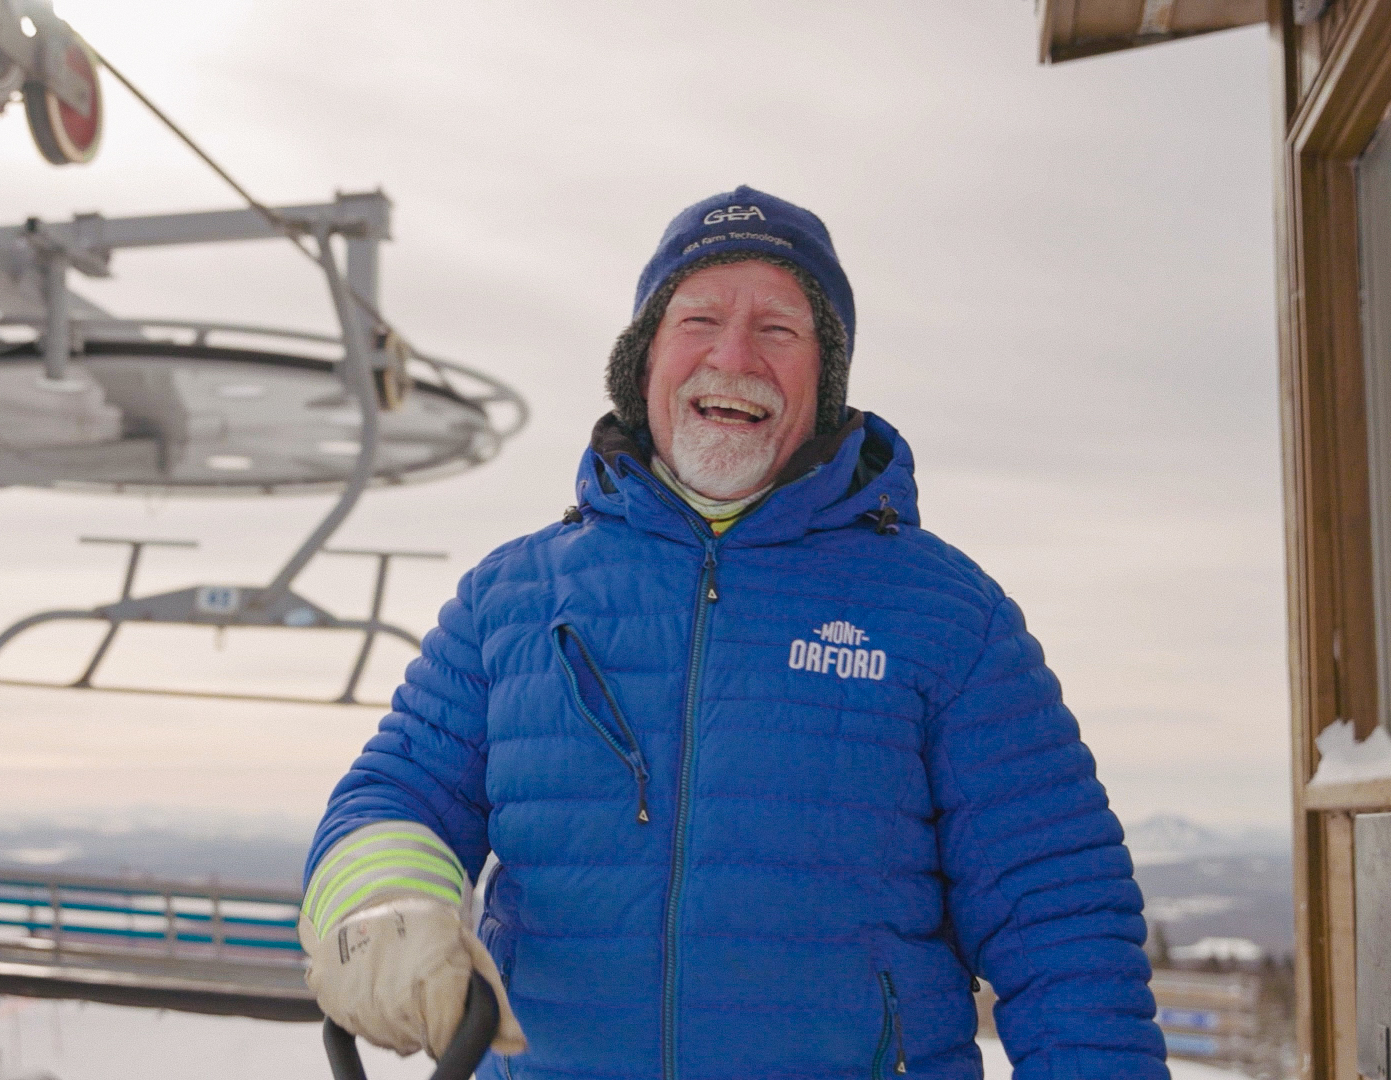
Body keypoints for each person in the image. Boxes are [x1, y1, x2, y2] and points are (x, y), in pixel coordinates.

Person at [297, 186, 1166, 1080]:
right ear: (643, 363)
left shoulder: (946, 616)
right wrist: (381, 899)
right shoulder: (512, 600)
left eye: (779, 330)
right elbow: (395, 792)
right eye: (699, 318)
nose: (733, 355)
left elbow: (1063, 920)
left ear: (823, 381)